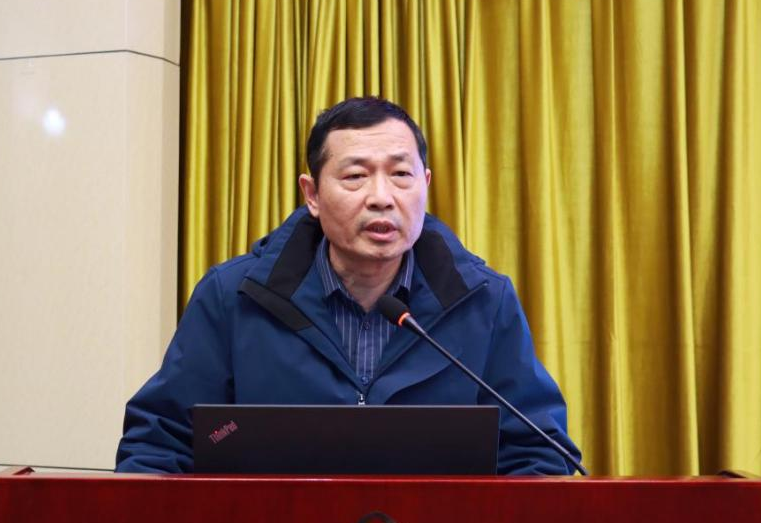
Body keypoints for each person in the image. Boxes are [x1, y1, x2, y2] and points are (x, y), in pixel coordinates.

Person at [116, 96, 582, 474]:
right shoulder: (234, 296)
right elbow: (160, 444)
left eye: (401, 175)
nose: (382, 198)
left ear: (425, 183)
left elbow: (537, 455)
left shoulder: (484, 302)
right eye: (356, 176)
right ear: (312, 194)